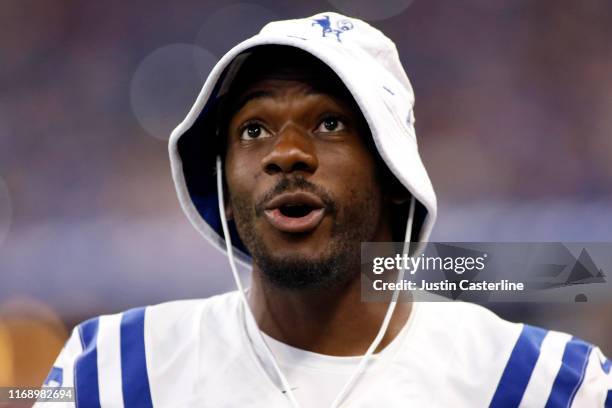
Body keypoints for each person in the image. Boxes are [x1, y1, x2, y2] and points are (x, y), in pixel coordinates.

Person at [39, 12, 611, 407]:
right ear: (225, 196)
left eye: (329, 122)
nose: (284, 153)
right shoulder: (109, 372)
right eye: (253, 129)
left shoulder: (543, 384)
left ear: (395, 174)